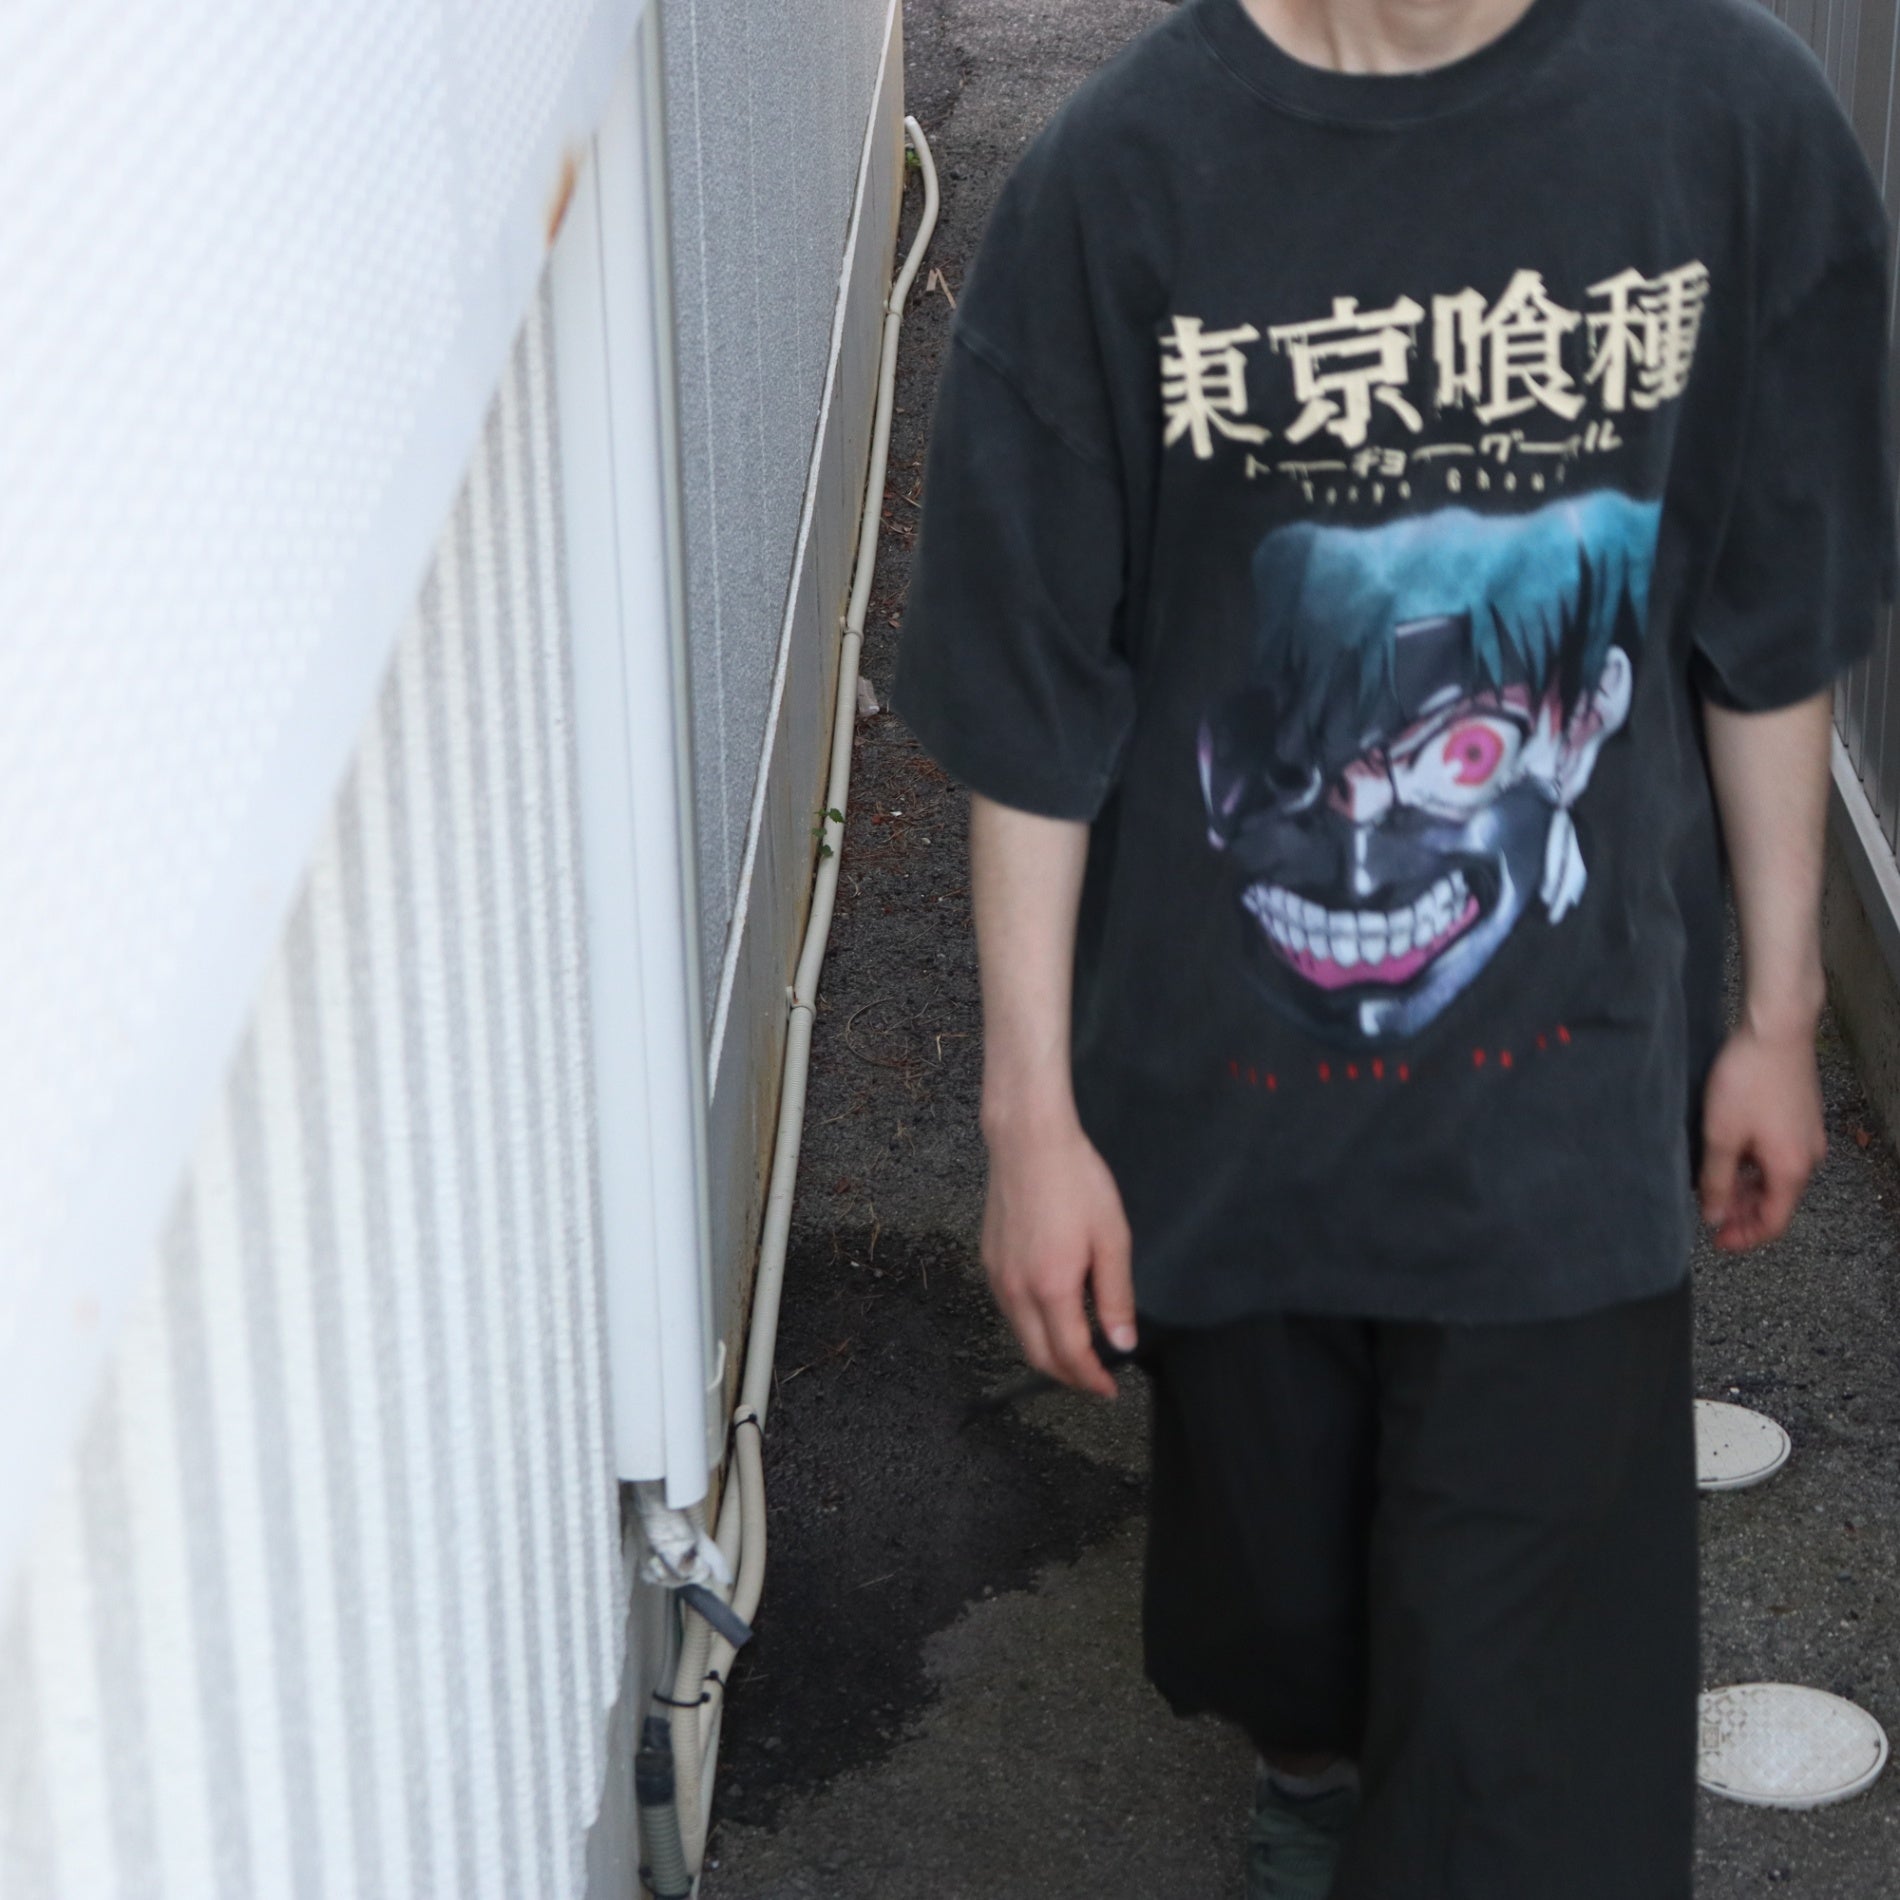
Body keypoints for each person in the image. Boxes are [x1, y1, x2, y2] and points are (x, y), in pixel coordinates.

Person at [893, 0, 1896, 1892]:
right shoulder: (1124, 184)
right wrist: (1034, 1124)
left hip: (1570, 1102)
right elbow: (1033, 707)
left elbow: (1775, 616)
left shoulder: (1727, 119)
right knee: (1280, 1610)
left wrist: (1775, 1006)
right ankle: (1318, 1757)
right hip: (1221, 1095)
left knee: (1519, 1742)